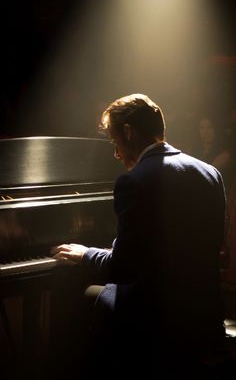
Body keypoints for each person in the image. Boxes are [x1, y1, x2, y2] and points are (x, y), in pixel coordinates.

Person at [52, 93, 228, 379]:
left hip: (156, 322)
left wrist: (86, 253)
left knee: (77, 293)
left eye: (114, 141)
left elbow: (121, 268)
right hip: (205, 320)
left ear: (129, 133)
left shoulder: (134, 181)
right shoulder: (211, 173)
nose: (116, 153)